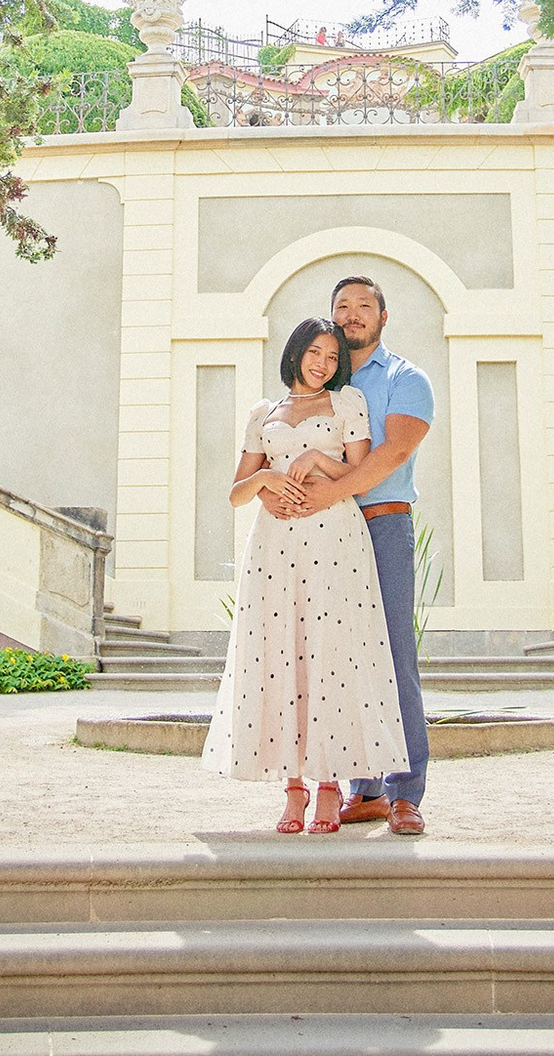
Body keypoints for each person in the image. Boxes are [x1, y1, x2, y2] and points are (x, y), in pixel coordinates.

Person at [202, 317, 410, 832]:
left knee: (331, 654)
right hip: (275, 547)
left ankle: (329, 789)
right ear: (296, 353)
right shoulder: (263, 413)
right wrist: (268, 477)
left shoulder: (347, 405)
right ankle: (292, 790)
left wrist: (318, 457)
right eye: (316, 352)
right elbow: (236, 492)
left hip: (335, 541)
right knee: (281, 655)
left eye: (333, 357)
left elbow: (359, 476)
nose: (323, 364)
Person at [267, 274, 433, 835]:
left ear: (383, 317)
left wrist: (329, 490)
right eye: (343, 306)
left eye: (366, 305)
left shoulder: (407, 379)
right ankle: (360, 789)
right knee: (336, 658)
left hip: (380, 527)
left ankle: (405, 793)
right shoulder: (323, 383)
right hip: (318, 538)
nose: (354, 313)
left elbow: (395, 451)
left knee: (391, 654)